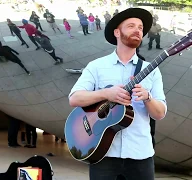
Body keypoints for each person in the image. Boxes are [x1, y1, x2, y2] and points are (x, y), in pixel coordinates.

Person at [69, 8, 167, 180]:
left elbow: (160, 114)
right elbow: (74, 98)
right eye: (131, 26)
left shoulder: (151, 70)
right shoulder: (96, 66)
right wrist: (106, 93)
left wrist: (148, 98)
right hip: (103, 154)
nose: (138, 30)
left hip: (140, 155)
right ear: (117, 32)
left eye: (140, 27)